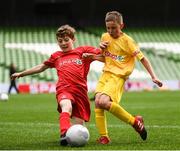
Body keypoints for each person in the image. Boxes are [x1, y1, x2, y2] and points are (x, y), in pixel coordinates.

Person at [11, 24, 103, 146]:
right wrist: (22, 73)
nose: (63, 43)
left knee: (78, 128)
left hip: (80, 92)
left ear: (73, 39)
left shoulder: (83, 51)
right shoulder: (56, 56)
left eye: (66, 40)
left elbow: (105, 56)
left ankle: (72, 136)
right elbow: (42, 67)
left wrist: (95, 55)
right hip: (64, 89)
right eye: (60, 41)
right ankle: (64, 134)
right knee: (66, 106)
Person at [94, 11, 163, 144]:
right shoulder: (104, 37)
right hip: (106, 74)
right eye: (108, 28)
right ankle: (104, 136)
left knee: (103, 102)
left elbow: (142, 59)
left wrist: (154, 76)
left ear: (122, 25)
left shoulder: (128, 41)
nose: (110, 30)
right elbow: (106, 58)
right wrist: (93, 55)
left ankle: (134, 122)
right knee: (97, 102)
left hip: (118, 76)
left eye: (114, 28)